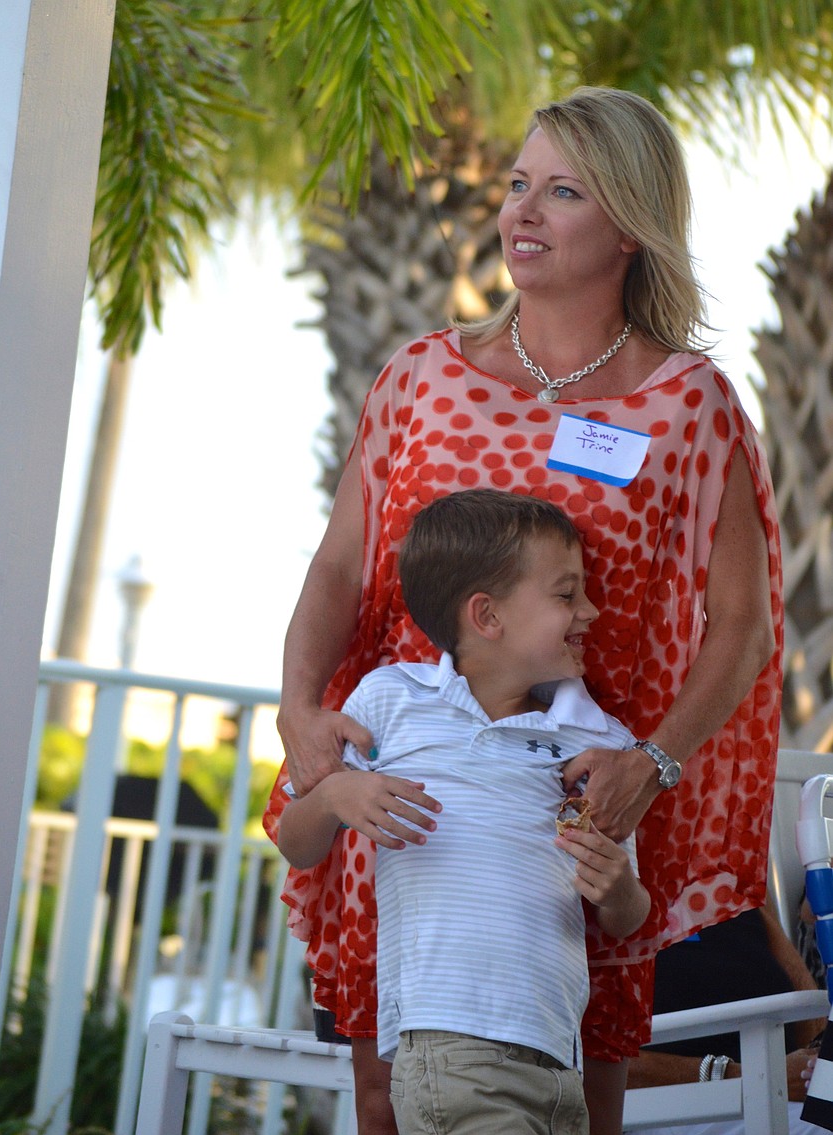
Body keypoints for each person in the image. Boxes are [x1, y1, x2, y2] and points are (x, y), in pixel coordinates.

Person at [264, 85, 783, 1135]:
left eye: (561, 192)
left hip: (573, 809)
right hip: (403, 785)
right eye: (516, 185)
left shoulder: (689, 403)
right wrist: (296, 712)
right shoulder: (421, 375)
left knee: (583, 1091)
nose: (521, 213)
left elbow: (742, 628)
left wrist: (657, 762)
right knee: (381, 1094)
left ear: (630, 225)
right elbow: (336, 571)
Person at [278, 490, 651, 1135]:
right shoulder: (392, 700)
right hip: (450, 1043)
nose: (591, 611)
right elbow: (295, 841)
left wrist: (618, 887)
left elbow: (627, 916)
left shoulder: (601, 744)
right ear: (487, 615)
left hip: (558, 1060)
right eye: (567, 595)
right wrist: (336, 797)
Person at [627, 900, 825, 1135]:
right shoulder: (596, 890)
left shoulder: (727, 875)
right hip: (671, 1107)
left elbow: (802, 999)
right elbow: (589, 1060)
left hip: (778, 1091)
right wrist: (750, 1077)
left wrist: (815, 1065)